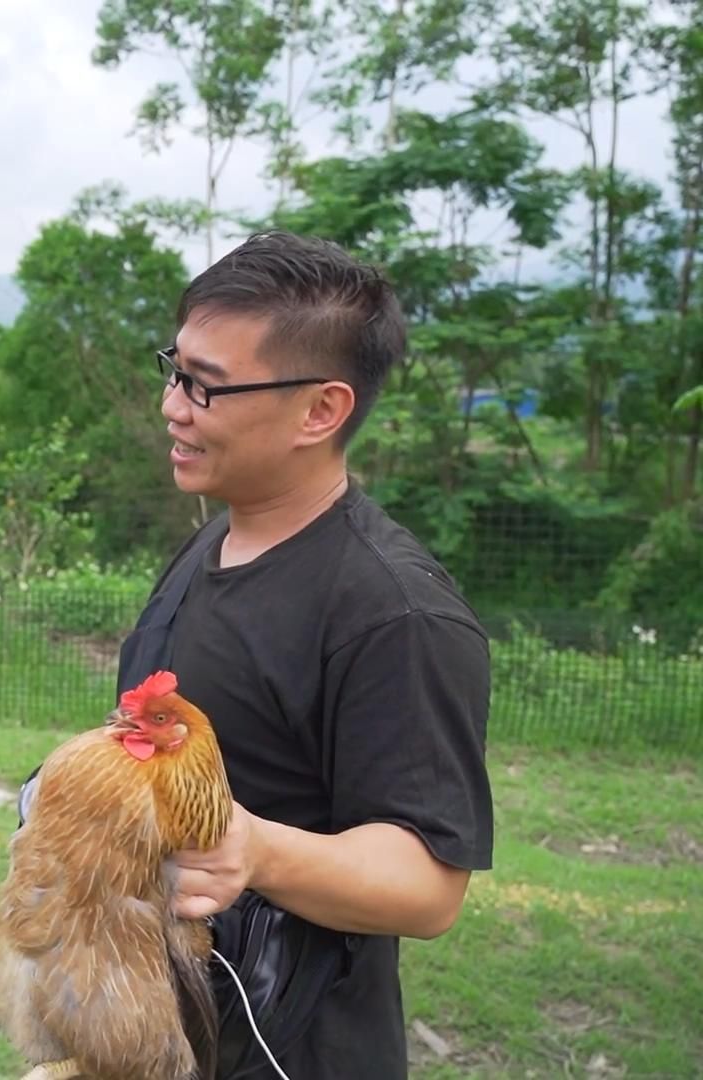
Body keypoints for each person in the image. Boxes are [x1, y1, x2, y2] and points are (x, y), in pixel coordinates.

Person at [132, 231, 494, 1077]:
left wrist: (255, 851)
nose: (173, 406)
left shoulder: (393, 612)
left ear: (321, 410)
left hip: (290, 1051)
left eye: (206, 387)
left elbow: (428, 888)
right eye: (174, 369)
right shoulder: (211, 545)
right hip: (167, 1032)